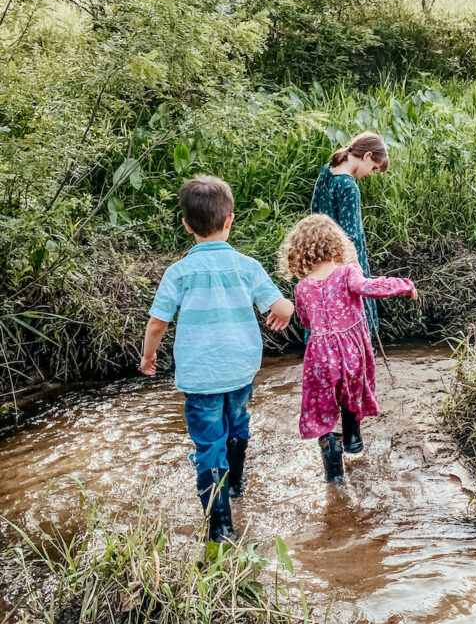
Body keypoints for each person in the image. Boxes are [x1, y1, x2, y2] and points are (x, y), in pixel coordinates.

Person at [139, 175, 294, 541]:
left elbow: (157, 323)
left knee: (209, 443)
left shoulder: (178, 272)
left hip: (200, 375)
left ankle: (220, 524)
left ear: (187, 225)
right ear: (230, 221)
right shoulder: (248, 266)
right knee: (238, 423)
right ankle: (236, 484)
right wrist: (285, 310)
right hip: (241, 369)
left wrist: (148, 358)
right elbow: (280, 304)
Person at [278, 214, 417, 483]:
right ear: (336, 244)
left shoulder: (302, 287)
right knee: (350, 394)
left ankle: (334, 476)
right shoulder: (347, 271)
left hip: (319, 355)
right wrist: (403, 285)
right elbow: (368, 287)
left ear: (299, 251)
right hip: (351, 351)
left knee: (323, 407)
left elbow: (306, 320)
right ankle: (354, 444)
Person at [310, 132, 389, 336]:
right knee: (356, 320)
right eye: (373, 168)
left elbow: (314, 211)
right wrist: (357, 268)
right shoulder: (348, 186)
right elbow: (351, 234)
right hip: (346, 259)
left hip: (320, 255)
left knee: (326, 315)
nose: (369, 174)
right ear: (367, 155)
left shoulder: (326, 171)